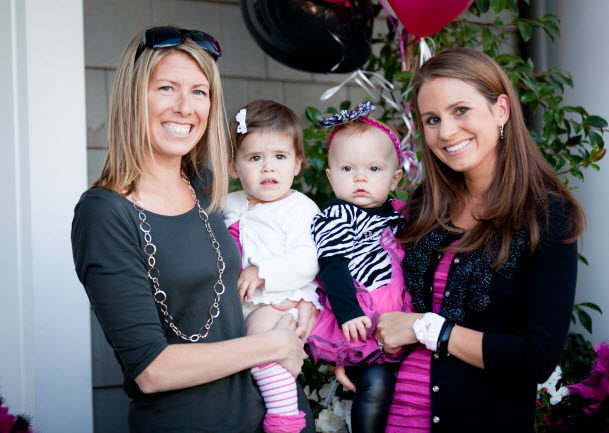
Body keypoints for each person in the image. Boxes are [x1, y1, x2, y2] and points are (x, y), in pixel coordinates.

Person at [71, 26, 316, 433]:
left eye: (199, 92)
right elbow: (151, 369)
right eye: (167, 88)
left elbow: (282, 243)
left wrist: (299, 300)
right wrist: (271, 345)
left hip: (279, 417)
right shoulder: (104, 213)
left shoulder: (209, 185)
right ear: (135, 96)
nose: (185, 107)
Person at [371, 47, 586, 432]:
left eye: (460, 111)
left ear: (501, 109)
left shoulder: (546, 217)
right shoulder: (424, 206)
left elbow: (536, 356)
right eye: (432, 120)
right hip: (395, 418)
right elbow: (378, 291)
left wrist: (428, 328)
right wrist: (351, 347)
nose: (447, 132)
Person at [305, 103, 409, 433]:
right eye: (348, 169)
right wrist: (348, 312)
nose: (360, 177)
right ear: (330, 176)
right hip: (361, 319)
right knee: (375, 386)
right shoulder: (337, 216)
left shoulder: (400, 214)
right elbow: (332, 267)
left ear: (395, 177)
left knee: (400, 390)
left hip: (399, 319)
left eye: (374, 169)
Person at [224, 100, 321, 433]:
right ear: (233, 166)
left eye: (279, 157)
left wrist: (261, 271)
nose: (268, 168)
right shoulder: (228, 203)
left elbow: (308, 258)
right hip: (238, 306)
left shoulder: (299, 209)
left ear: (297, 164)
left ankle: (283, 417)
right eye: (255, 158)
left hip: (275, 300)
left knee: (262, 346)